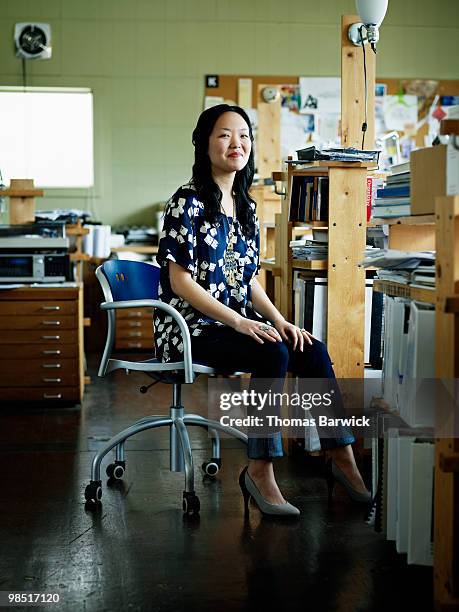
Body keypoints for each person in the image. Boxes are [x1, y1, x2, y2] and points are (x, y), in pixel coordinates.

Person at [154, 104, 371, 517]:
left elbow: (247, 279)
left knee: (310, 348)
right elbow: (180, 280)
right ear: (204, 144)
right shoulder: (187, 202)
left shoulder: (247, 206)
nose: (236, 143)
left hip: (236, 323)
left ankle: (341, 454)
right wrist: (238, 321)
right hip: (189, 327)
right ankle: (260, 469)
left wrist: (279, 320)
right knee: (272, 352)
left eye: (243, 135)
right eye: (224, 134)